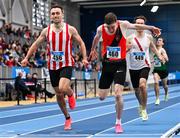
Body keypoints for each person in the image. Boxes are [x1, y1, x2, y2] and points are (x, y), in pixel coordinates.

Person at [88, 12, 161, 133]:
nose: (111, 29)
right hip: (107, 65)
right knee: (101, 97)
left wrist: (151, 28)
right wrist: (92, 50)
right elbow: (96, 38)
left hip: (120, 64)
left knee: (118, 94)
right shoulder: (101, 29)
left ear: (116, 22)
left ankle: (118, 122)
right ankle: (120, 105)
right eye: (109, 27)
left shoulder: (123, 25)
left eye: (113, 27)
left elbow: (138, 26)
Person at [21, 4, 88, 130]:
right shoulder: (46, 31)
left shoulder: (70, 29)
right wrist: (26, 58)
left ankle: (71, 93)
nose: (55, 15)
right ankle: (67, 118)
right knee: (58, 93)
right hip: (52, 66)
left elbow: (81, 43)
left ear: (62, 15)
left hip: (67, 63)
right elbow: (35, 45)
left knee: (63, 88)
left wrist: (84, 58)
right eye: (53, 14)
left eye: (57, 13)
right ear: (50, 16)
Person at [126, 16, 164, 121]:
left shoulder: (148, 37)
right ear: (134, 25)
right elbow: (124, 50)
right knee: (137, 90)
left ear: (145, 24)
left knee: (142, 85)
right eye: (137, 23)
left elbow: (153, 47)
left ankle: (144, 108)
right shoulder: (130, 38)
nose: (140, 25)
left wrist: (159, 56)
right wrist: (126, 49)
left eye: (142, 23)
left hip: (145, 65)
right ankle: (140, 104)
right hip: (133, 67)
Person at [153, 37, 169, 105]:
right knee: (156, 82)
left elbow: (167, 59)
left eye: (160, 40)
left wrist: (163, 58)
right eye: (158, 40)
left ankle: (166, 93)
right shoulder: (154, 49)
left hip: (163, 70)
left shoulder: (162, 50)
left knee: (164, 86)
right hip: (156, 70)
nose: (158, 41)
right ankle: (157, 98)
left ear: (162, 43)